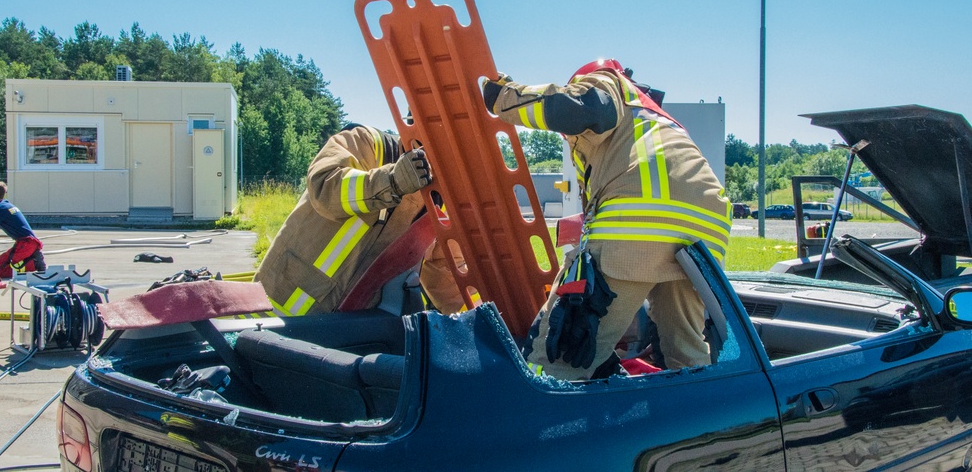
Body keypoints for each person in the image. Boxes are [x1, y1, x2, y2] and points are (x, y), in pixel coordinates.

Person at [481, 59, 732, 380]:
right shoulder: (653, 121)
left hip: (642, 224)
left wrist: (504, 98)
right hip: (706, 235)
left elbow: (574, 107)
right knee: (686, 352)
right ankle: (702, 424)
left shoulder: (606, 82)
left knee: (565, 346)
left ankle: (546, 412)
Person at [255, 124, 463, 316]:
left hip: (350, 332)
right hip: (275, 314)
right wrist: (390, 181)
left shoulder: (437, 201)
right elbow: (323, 186)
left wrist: (482, 321)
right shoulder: (367, 143)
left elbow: (447, 276)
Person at [0, 181, 46, 278]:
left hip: (27, 243)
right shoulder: (4, 205)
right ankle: (32, 258)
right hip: (25, 242)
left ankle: (34, 263)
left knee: (6, 270)